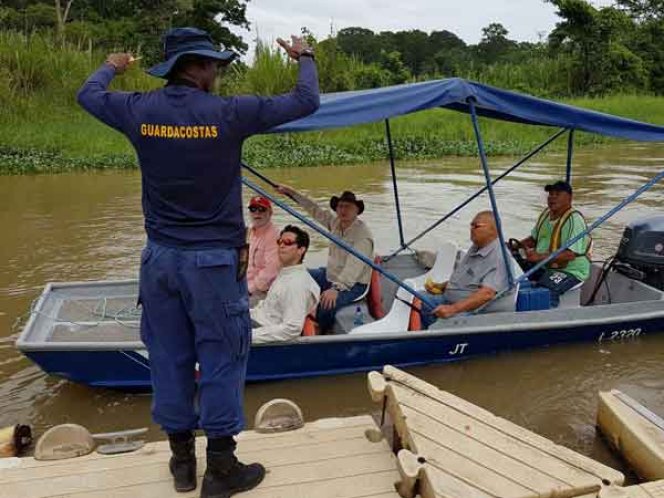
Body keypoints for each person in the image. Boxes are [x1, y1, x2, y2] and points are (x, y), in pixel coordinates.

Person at [77, 27, 319, 497]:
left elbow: (88, 94)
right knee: (222, 356)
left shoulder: (137, 110)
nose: (218, 74)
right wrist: (304, 56)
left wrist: (112, 65)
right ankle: (222, 468)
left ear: (171, 68)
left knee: (168, 357)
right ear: (202, 67)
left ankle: (182, 464)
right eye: (216, 66)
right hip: (211, 264)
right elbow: (305, 100)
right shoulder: (229, 113)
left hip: (160, 261)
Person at [276, 186, 374, 332]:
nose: (343, 210)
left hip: (353, 284)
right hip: (331, 274)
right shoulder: (335, 222)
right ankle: (290, 313)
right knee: (298, 275)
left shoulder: (362, 235)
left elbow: (354, 267)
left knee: (326, 304)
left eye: (348, 207)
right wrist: (291, 192)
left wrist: (336, 288)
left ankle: (322, 331)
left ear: (356, 211)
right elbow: (313, 209)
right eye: (340, 206)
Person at [421, 211, 511, 328]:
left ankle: (420, 337)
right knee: (418, 298)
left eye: (476, 226)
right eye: (471, 225)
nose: (471, 229)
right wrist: (444, 286)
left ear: (493, 229)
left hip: (478, 311)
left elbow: (487, 294)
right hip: (453, 301)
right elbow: (467, 278)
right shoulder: (477, 247)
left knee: (423, 306)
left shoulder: (500, 256)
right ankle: (420, 332)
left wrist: (452, 309)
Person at [514, 180, 591, 307]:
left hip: (570, 271)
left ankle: (548, 317)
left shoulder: (574, 220)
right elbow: (533, 239)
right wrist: (514, 246)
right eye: (550, 194)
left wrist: (538, 256)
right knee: (512, 268)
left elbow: (569, 255)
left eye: (557, 194)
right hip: (546, 266)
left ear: (569, 198)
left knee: (545, 291)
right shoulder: (545, 214)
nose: (552, 197)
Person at [251, 225, 320, 343]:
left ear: (301, 250)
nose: (281, 246)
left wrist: (248, 336)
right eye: (280, 241)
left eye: (288, 242)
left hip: (260, 329)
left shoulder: (297, 284)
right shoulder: (286, 274)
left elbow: (292, 328)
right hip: (256, 320)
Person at [246, 196, 280, 303]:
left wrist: (248, 289)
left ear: (270, 213)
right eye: (253, 209)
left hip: (262, 292)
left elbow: (271, 271)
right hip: (243, 284)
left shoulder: (275, 236)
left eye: (262, 209)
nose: (257, 213)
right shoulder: (248, 232)